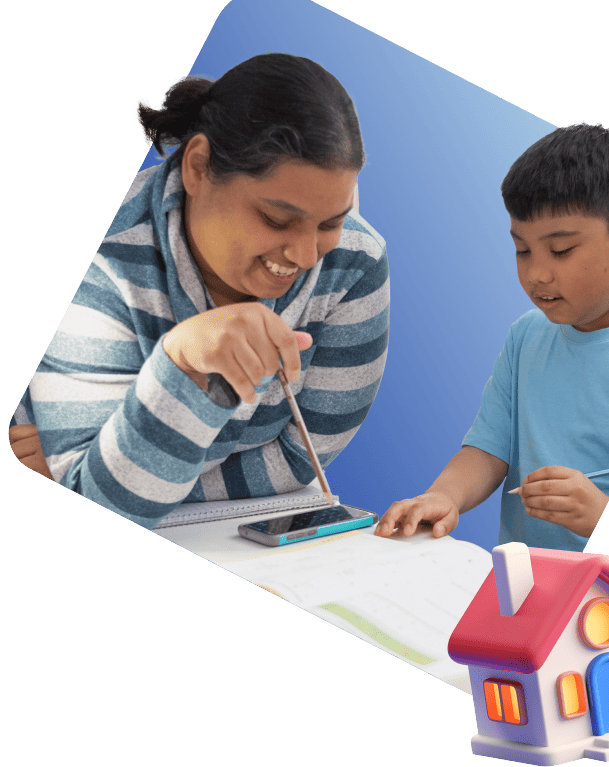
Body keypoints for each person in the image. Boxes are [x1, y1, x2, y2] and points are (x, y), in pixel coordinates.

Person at [10, 53, 389, 529]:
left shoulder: (355, 263)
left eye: (332, 221)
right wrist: (181, 362)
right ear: (198, 166)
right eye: (276, 219)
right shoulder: (108, 257)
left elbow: (299, 464)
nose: (308, 256)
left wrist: (127, 470)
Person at [375, 121, 609, 552]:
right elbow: (488, 449)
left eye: (560, 250)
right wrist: (443, 496)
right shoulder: (527, 336)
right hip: (519, 590)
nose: (535, 273)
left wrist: (599, 513)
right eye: (522, 249)